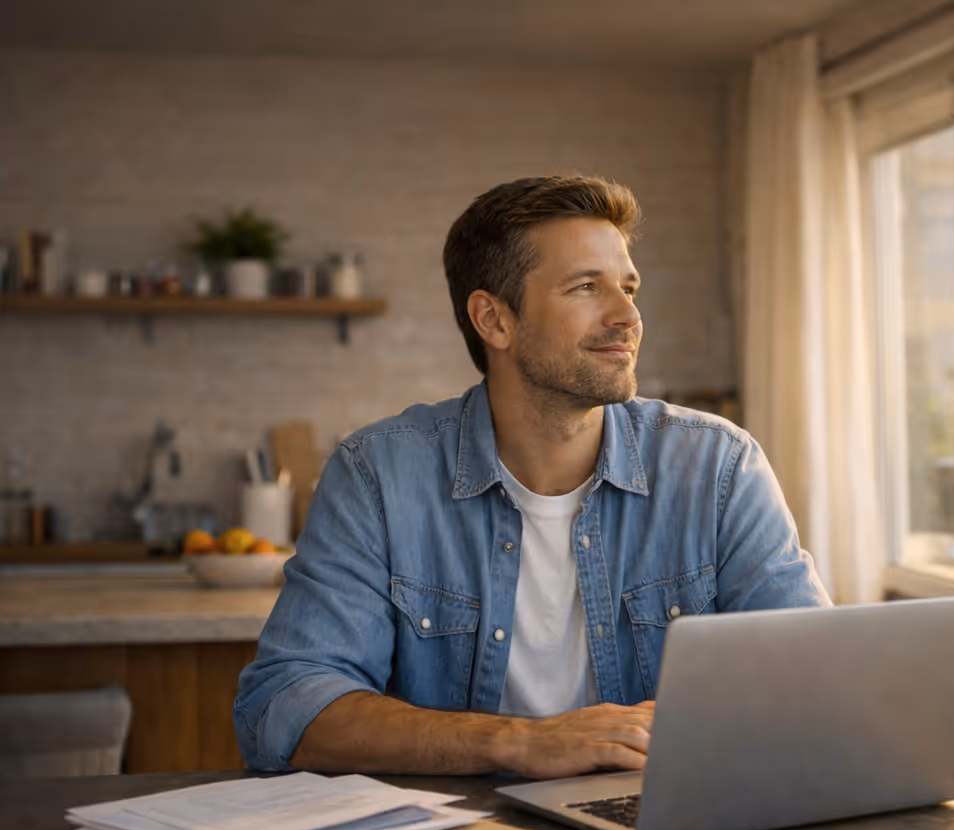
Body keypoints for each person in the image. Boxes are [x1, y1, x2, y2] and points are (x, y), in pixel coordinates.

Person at [234, 175, 829, 778]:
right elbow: (287, 708)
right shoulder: (377, 476)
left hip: (663, 821)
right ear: (493, 320)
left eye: (628, 287)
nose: (628, 316)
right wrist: (519, 742)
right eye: (586, 287)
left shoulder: (719, 467)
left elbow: (816, 681)